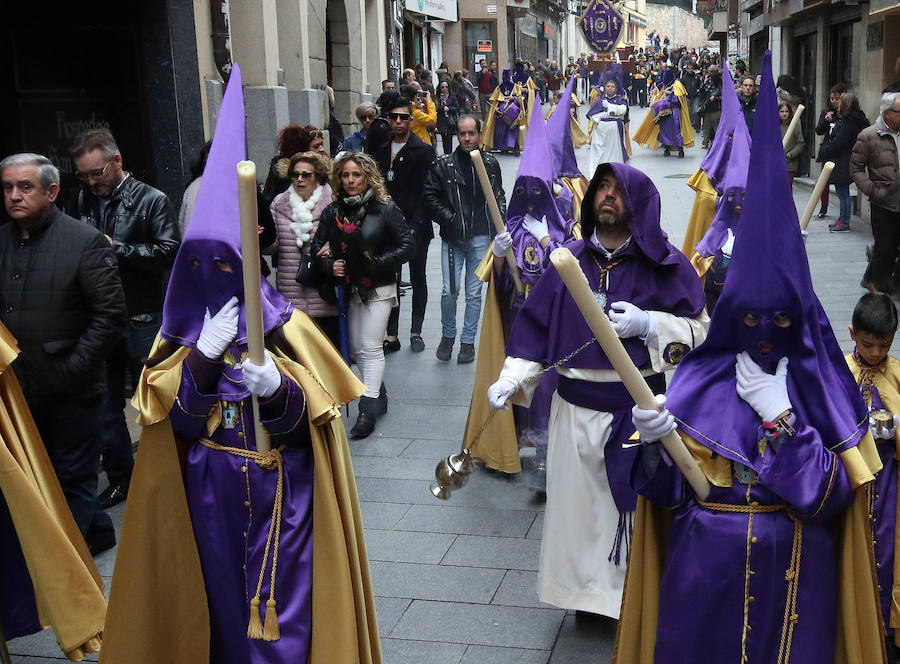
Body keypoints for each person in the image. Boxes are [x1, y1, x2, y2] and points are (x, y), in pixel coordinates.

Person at [99, 65, 382, 663]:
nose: (211, 277)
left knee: (284, 611)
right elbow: (171, 420)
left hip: (283, 490)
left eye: (223, 262)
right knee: (220, 606)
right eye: (197, 264)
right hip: (207, 491)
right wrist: (201, 358)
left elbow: (309, 418)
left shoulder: (288, 325)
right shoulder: (181, 335)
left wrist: (278, 387)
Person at [618, 54, 884, 664]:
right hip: (703, 576)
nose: (767, 333)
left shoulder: (819, 381)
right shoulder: (702, 378)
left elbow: (829, 498)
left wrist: (783, 418)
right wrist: (655, 442)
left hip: (795, 580)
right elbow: (662, 497)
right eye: (753, 320)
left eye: (783, 320)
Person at [487, 162, 709, 619]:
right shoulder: (566, 261)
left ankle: (633, 594)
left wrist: (650, 324)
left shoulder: (666, 265)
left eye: (618, 189)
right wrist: (514, 376)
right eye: (602, 188)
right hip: (573, 409)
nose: (607, 195)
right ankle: (585, 600)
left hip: (639, 414)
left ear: (639, 204)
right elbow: (536, 329)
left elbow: (701, 332)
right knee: (579, 513)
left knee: (628, 510)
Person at [1, 153, 127, 554]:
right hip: (17, 390)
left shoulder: (83, 241)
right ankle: (96, 533)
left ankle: (71, 570)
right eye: (7, 188)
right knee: (33, 477)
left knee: (72, 477)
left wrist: (72, 369)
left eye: (25, 187)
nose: (14, 196)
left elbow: (109, 315)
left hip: (72, 389)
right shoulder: (2, 240)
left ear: (51, 192)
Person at [67, 128, 180, 510]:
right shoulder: (80, 198)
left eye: (97, 172)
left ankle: (168, 479)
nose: (92, 182)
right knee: (104, 405)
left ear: (116, 162)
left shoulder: (152, 199)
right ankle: (122, 479)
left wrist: (118, 249)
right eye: (84, 175)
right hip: (97, 318)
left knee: (156, 400)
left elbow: (169, 250)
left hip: (142, 314)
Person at [312, 152, 414, 438]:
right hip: (348, 289)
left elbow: (407, 245)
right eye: (345, 175)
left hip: (378, 287)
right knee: (358, 349)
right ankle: (378, 395)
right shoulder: (333, 212)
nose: (351, 180)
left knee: (370, 347)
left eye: (356, 175)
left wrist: (376, 261)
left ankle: (366, 411)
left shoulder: (385, 208)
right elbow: (317, 248)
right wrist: (331, 264)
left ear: (368, 176)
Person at [844, 292, 900, 658]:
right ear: (852, 334)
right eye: (868, 344)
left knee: (890, 555)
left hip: (891, 484)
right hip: (854, 485)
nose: (876, 353)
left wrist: (894, 428)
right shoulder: (839, 374)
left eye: (884, 345)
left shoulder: (896, 373)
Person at [424, 115, 506, 364]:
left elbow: (498, 194)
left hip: (480, 237)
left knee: (473, 293)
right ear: (457, 135)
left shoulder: (490, 163)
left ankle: (468, 341)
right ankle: (448, 335)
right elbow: (430, 196)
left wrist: (499, 221)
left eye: (472, 133)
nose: (467, 138)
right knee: (450, 290)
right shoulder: (443, 164)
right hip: (453, 238)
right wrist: (450, 218)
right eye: (463, 133)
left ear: (480, 134)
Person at [373, 95, 436, 354]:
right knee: (392, 279)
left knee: (418, 277)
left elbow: (427, 191)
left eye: (403, 117)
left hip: (416, 225)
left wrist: (417, 224)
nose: (398, 122)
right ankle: (391, 333)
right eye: (393, 117)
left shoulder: (422, 150)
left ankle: (416, 331)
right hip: (388, 226)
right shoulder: (380, 150)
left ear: (411, 120)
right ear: (388, 120)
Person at [266, 151, 339, 345]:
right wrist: (258, 236)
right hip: (291, 291)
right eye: (295, 174)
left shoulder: (332, 202)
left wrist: (333, 248)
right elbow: (273, 247)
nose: (300, 179)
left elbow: (343, 238)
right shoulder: (279, 204)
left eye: (306, 175)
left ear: (318, 177)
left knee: (328, 351)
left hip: (323, 292)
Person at [852, 91, 900, 293]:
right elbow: (855, 168)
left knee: (890, 247)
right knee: (885, 247)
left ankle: (872, 279)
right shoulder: (868, 136)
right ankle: (876, 285)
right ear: (887, 113)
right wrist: (872, 189)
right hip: (883, 201)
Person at [818, 92, 869, 233]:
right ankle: (842, 219)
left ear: (845, 104)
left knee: (842, 191)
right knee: (842, 190)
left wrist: (828, 148)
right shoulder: (852, 119)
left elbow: (839, 141)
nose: (837, 104)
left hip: (844, 159)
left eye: (840, 102)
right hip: (845, 158)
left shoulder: (850, 121)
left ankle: (844, 221)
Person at [262, 124, 323, 204]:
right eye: (316, 146)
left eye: (322, 144)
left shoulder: (326, 172)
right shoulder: (285, 175)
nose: (322, 149)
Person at [815, 83, 848, 218]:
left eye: (837, 98)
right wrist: (826, 121)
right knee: (824, 181)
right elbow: (818, 130)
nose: (833, 101)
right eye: (832, 98)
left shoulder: (846, 113)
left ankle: (844, 214)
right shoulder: (826, 111)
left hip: (840, 152)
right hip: (828, 149)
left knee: (841, 184)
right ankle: (823, 207)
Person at [587, 77, 629, 173]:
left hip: (614, 131)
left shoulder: (621, 100)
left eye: (612, 86)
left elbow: (623, 111)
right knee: (599, 153)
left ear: (616, 88)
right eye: (608, 86)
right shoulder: (599, 101)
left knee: (614, 153)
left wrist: (609, 107)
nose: (610, 88)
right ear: (605, 87)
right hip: (600, 131)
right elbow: (592, 116)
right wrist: (603, 114)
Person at [780, 102, 805, 187]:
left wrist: (790, 155)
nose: (784, 114)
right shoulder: (775, 126)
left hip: (789, 164)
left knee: (787, 188)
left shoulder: (795, 125)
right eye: (782, 111)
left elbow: (800, 143)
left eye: (786, 111)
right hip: (776, 162)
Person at [435, 80, 461, 155]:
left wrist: (449, 109)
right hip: (441, 120)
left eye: (446, 87)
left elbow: (456, 108)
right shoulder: (437, 97)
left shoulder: (452, 96)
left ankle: (449, 155)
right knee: (443, 139)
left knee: (449, 139)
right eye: (442, 87)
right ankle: (445, 155)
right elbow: (436, 108)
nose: (444, 88)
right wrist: (442, 108)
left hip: (450, 120)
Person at [700, 67, 723, 148]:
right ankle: (705, 142)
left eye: (711, 79)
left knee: (716, 127)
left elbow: (723, 97)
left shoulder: (719, 88)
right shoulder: (707, 86)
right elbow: (701, 93)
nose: (709, 81)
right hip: (707, 109)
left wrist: (715, 98)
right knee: (706, 127)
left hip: (716, 110)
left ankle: (718, 142)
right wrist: (703, 83)